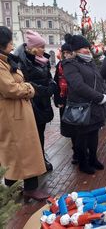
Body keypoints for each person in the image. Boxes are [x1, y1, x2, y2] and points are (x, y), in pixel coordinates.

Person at [0, 26, 49, 201]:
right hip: (11, 115)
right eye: (9, 41)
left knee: (27, 151)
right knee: (14, 151)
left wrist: (26, 88)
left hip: (19, 112)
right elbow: (10, 89)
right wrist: (30, 88)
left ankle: (29, 188)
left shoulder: (6, 61)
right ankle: (14, 189)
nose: (12, 44)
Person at [63, 34, 106, 174]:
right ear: (76, 50)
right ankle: (83, 162)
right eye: (84, 48)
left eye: (88, 47)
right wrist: (99, 97)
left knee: (94, 134)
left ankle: (93, 159)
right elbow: (78, 86)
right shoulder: (70, 64)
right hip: (82, 107)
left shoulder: (90, 62)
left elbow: (100, 80)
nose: (87, 50)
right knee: (82, 137)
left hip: (95, 106)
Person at [14, 30, 56, 172]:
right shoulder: (21, 61)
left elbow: (49, 77)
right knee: (31, 135)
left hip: (42, 103)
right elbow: (24, 82)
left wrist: (52, 85)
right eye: (41, 47)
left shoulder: (42, 60)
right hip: (31, 103)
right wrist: (44, 90)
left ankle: (41, 158)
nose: (44, 50)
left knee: (40, 132)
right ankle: (32, 163)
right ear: (33, 47)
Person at [53, 43, 78, 164]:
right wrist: (58, 100)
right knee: (72, 128)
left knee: (81, 127)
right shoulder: (60, 65)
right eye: (65, 52)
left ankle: (83, 151)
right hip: (65, 100)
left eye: (69, 52)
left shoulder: (79, 64)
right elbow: (56, 83)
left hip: (79, 101)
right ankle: (76, 152)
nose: (67, 55)